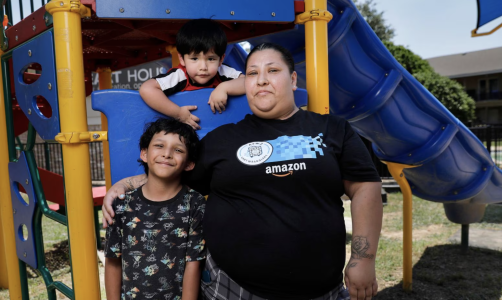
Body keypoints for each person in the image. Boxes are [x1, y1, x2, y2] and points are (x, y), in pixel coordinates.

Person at [103, 43, 383, 300]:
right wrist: (126, 184)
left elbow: (364, 188)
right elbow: (176, 174)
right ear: (244, 83)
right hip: (233, 288)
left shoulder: (333, 129)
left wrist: (363, 260)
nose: (261, 79)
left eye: (272, 71)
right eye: (252, 73)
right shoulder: (223, 139)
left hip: (321, 289)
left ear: (293, 80)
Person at [104, 118, 206, 300]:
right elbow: (113, 261)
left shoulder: (195, 203)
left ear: (189, 163)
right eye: (159, 146)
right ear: (144, 153)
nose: (167, 154)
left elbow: (194, 264)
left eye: (178, 149)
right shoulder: (121, 204)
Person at [139, 19, 246, 130]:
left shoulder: (222, 72)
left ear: (220, 60)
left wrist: (224, 88)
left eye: (210, 59)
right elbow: (147, 89)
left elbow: (249, 81)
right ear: (182, 59)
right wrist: (178, 113)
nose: (203, 67)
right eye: (194, 58)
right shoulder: (180, 75)